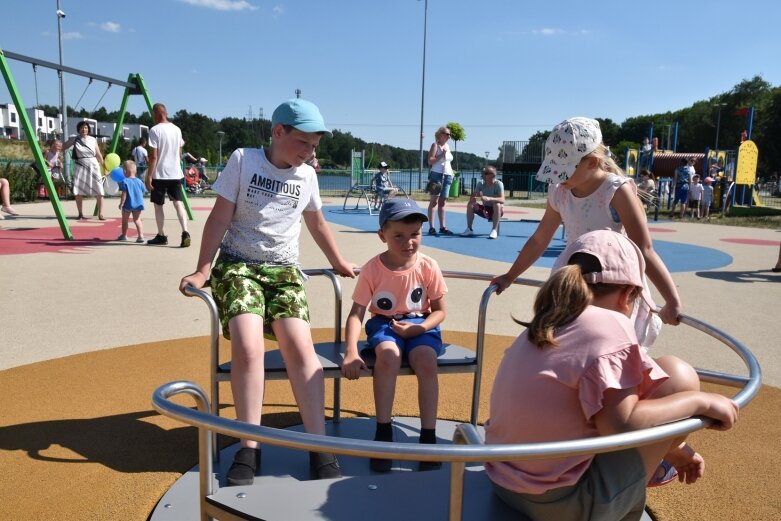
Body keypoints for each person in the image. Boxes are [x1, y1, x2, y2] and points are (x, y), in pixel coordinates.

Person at [485, 230, 739, 521]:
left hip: (503, 482)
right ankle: (628, 501)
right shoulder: (611, 323)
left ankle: (667, 454)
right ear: (628, 294)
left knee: (658, 379)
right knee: (679, 377)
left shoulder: (547, 322)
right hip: (566, 505)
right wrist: (700, 402)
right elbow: (620, 425)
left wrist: (676, 447)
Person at [178, 98, 356, 485]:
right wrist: (203, 268)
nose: (310, 152)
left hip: (284, 271)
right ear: (278, 133)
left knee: (299, 346)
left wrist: (339, 261)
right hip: (239, 265)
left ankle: (318, 444)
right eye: (304, 143)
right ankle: (249, 444)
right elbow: (220, 216)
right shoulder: (243, 160)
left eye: (314, 146)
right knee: (247, 343)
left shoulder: (306, 176)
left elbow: (318, 224)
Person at [492, 117, 682, 348]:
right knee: (569, 344)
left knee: (612, 345)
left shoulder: (615, 191)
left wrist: (671, 299)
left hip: (612, 282)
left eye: (565, 171)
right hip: (576, 279)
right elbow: (540, 238)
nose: (558, 178)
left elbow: (644, 248)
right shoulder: (560, 193)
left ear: (592, 162)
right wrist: (510, 276)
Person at [341, 198, 448, 472]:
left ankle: (428, 438)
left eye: (414, 234)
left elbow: (439, 312)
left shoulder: (428, 266)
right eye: (398, 235)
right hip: (385, 324)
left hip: (421, 324)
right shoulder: (373, 269)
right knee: (387, 357)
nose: (408, 242)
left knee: (425, 359)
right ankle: (383, 433)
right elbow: (356, 314)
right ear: (382, 236)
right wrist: (352, 351)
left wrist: (421, 328)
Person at [146, 103, 190, 247]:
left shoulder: (154, 130)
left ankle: (161, 235)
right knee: (178, 203)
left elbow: (153, 156)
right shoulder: (177, 130)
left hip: (160, 173)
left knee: (158, 205)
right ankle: (185, 232)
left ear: (155, 113)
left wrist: (149, 176)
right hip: (175, 173)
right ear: (166, 112)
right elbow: (179, 152)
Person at [62, 120, 106, 220]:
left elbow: (98, 155)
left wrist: (104, 167)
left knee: (99, 189)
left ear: (88, 129)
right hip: (80, 166)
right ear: (78, 129)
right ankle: (80, 213)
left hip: (93, 165)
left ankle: (101, 214)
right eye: (82, 127)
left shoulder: (93, 139)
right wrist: (52, 149)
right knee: (78, 190)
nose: (84, 129)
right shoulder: (75, 139)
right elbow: (63, 147)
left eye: (86, 127)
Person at [461, 165, 504, 239]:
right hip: (485, 210)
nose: (482, 174)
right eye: (482, 172)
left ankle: (494, 230)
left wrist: (489, 199)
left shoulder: (498, 184)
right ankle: (469, 229)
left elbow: (502, 200)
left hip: (497, 210)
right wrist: (474, 201)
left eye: (485, 173)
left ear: (492, 175)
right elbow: (473, 196)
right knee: (470, 204)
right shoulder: (480, 183)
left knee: (496, 204)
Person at [426, 126, 455, 235]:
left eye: (449, 134)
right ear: (441, 134)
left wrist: (451, 173)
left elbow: (448, 162)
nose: (449, 136)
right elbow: (430, 161)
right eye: (447, 134)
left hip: (447, 175)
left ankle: (443, 227)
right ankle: (431, 227)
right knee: (434, 201)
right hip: (436, 175)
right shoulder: (435, 145)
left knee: (443, 202)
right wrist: (441, 155)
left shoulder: (447, 146)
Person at [116, 160, 147, 243]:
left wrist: (121, 203)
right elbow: (143, 191)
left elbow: (124, 194)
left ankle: (124, 235)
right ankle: (141, 236)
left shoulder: (124, 181)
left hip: (128, 204)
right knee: (137, 219)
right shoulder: (139, 181)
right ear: (135, 171)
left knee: (125, 220)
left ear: (124, 171)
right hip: (138, 204)